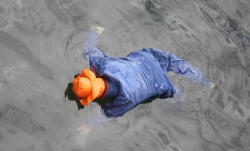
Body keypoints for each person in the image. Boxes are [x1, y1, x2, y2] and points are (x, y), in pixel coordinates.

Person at [74, 26, 214, 134]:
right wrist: (96, 31)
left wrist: (89, 124)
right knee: (179, 64)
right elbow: (89, 48)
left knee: (178, 98)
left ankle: (181, 111)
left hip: (158, 82)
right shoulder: (100, 65)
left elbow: (107, 115)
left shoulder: (125, 98)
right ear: (91, 75)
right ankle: (206, 82)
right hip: (145, 57)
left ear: (95, 97)